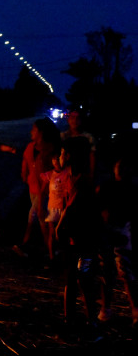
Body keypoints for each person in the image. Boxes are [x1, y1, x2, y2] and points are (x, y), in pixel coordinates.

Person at [55, 136, 103, 335]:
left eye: (63, 153)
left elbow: (70, 209)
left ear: (71, 155)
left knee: (84, 277)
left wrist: (59, 228)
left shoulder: (81, 180)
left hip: (85, 240)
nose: (60, 156)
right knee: (72, 278)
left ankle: (91, 321)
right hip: (75, 239)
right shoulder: (71, 176)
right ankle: (70, 320)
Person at [96, 157, 137, 326]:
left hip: (119, 232)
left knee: (120, 272)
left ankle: (128, 310)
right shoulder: (111, 187)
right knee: (115, 273)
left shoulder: (126, 188)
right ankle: (110, 309)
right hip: (113, 232)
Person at [13, 118, 59, 259]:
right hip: (32, 187)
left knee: (35, 214)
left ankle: (27, 245)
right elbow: (26, 161)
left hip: (45, 190)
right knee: (41, 218)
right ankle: (50, 248)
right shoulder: (31, 147)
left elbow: (53, 171)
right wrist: (24, 173)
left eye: (34, 129)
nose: (31, 131)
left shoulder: (50, 149)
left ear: (41, 132)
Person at [61, 108, 96, 180]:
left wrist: (91, 175)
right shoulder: (63, 137)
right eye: (72, 117)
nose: (75, 120)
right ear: (68, 120)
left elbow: (92, 156)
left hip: (83, 176)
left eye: (78, 118)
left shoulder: (89, 137)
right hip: (66, 177)